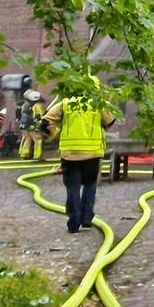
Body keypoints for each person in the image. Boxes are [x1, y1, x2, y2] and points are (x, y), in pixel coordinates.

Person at [44, 76, 118, 234]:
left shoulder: (65, 103)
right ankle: (86, 218)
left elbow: (46, 121)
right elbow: (110, 122)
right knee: (90, 185)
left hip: (69, 154)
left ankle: (73, 222)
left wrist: (54, 133)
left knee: (72, 188)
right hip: (92, 153)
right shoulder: (99, 104)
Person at [18, 88, 48, 162]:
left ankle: (24, 154)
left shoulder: (25, 105)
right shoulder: (38, 105)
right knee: (38, 140)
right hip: (34, 125)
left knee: (28, 139)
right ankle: (38, 156)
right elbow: (42, 114)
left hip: (25, 126)